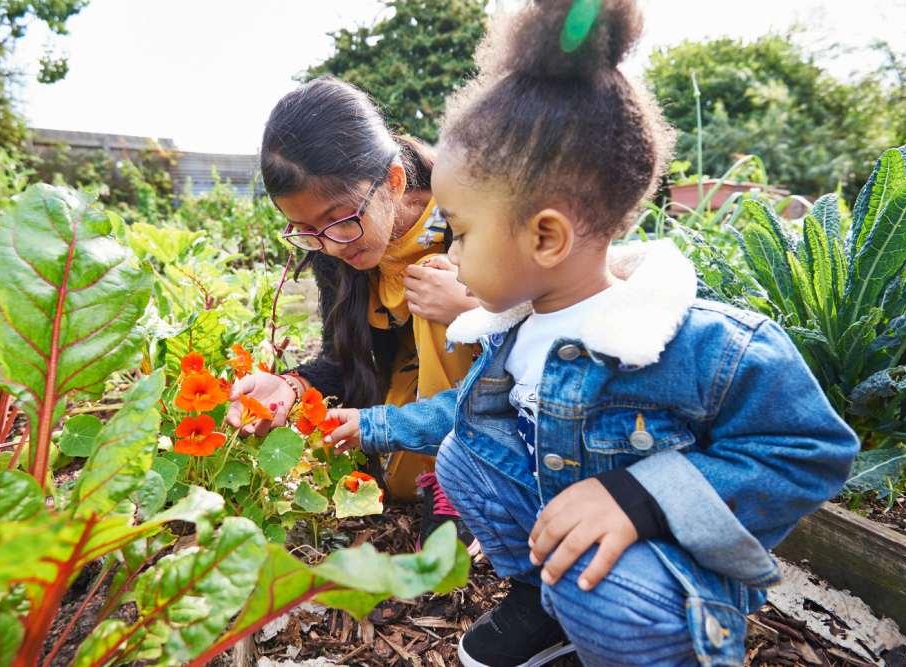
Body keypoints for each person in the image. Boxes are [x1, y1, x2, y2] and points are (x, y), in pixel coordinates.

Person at [320, 0, 861, 665]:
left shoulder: (697, 343)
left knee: (605, 593)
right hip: (580, 542)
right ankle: (547, 606)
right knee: (466, 450)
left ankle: (642, 640)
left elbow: (813, 448)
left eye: (460, 232)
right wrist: (369, 425)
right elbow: (460, 414)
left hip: (659, 576)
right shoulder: (518, 327)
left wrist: (641, 496)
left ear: (545, 235)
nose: (450, 255)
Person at [226, 75, 482, 552]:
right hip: (416, 382)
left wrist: (472, 307)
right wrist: (291, 384)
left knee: (434, 277)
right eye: (305, 230)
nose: (327, 245)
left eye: (339, 220)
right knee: (398, 476)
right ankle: (436, 467)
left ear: (393, 181)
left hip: (494, 388)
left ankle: (462, 475)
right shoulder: (333, 247)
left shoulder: (471, 211)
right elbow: (346, 361)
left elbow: (553, 316)